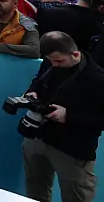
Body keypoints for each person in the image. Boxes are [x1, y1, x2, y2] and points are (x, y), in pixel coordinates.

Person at [20, 31, 104, 202]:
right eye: (51, 61)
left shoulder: (97, 79)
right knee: (35, 192)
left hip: (72, 150)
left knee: (76, 197)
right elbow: (36, 83)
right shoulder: (50, 62)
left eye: (59, 61)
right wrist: (32, 94)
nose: (54, 65)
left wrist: (68, 116)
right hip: (38, 138)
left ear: (75, 54)